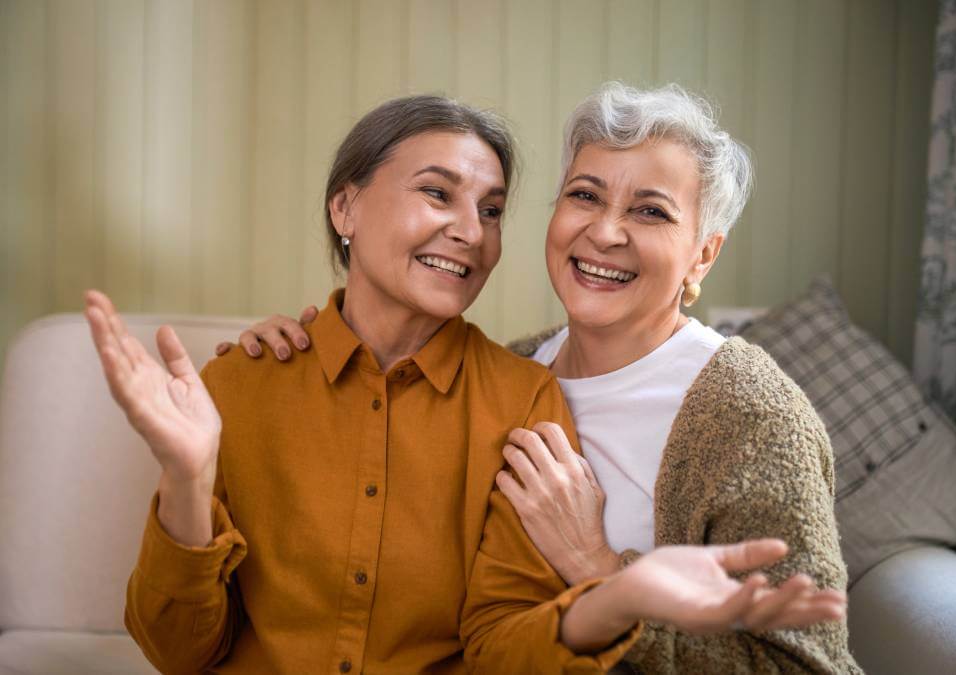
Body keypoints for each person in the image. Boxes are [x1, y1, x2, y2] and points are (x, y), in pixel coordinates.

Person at [229, 83, 859, 673]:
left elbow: (806, 663)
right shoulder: (516, 374)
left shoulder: (748, 410)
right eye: (585, 196)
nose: (605, 232)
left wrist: (601, 570)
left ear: (703, 254)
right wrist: (292, 358)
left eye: (651, 212)